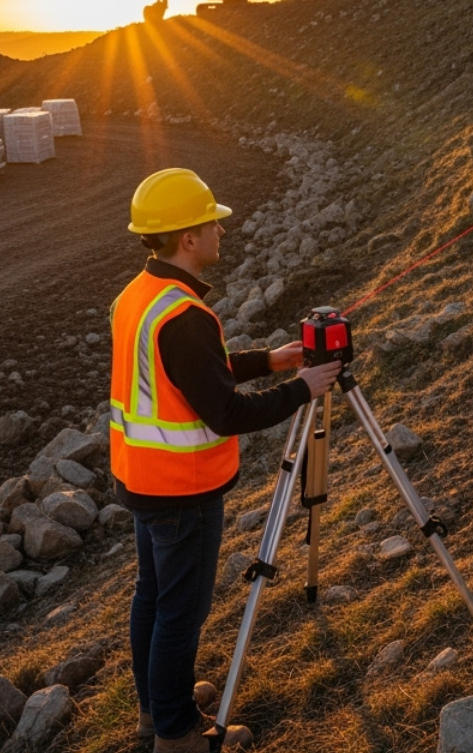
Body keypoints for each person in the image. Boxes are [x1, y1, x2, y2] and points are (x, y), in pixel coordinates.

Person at [111, 167, 342, 753]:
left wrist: (273, 361)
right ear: (187, 238)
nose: (220, 229)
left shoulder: (141, 296)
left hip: (142, 479)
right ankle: (178, 736)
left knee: (153, 598)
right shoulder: (184, 316)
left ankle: (156, 707)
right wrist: (305, 388)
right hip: (181, 490)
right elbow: (225, 413)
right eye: (211, 221)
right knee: (179, 615)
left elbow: (193, 375)